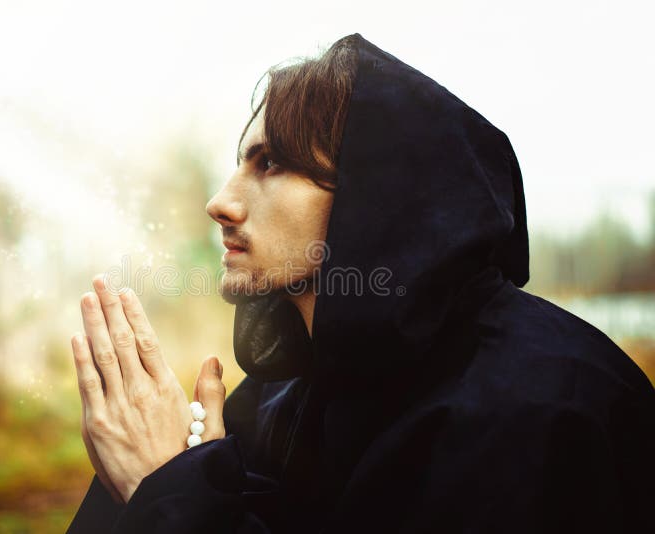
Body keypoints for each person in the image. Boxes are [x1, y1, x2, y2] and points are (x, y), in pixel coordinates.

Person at [65, 33, 655, 533]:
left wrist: (167, 494)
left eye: (270, 163)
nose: (220, 202)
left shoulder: (538, 410)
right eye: (241, 162)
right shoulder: (282, 396)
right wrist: (156, 474)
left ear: (377, 193)